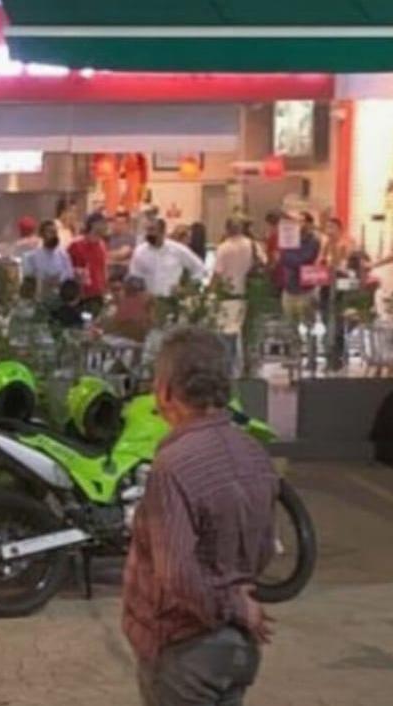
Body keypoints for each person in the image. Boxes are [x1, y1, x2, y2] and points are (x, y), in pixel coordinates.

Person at [124, 327, 277, 706]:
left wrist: (230, 606)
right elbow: (263, 551)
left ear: (166, 392)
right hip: (237, 648)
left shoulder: (173, 466)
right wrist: (238, 601)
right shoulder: (253, 453)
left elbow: (176, 573)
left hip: (184, 649)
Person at [213, 220, 264, 351]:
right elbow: (264, 262)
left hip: (228, 294)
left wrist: (210, 291)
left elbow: (217, 274)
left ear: (226, 230)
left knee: (228, 332)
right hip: (251, 294)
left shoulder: (223, 248)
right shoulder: (253, 245)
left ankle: (230, 363)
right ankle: (248, 360)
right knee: (249, 333)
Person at [128, 220, 206, 298]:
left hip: (171, 301)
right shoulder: (140, 251)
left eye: (152, 230)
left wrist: (187, 289)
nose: (149, 234)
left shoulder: (178, 250)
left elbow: (200, 269)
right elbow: (135, 275)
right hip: (148, 300)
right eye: (147, 230)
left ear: (162, 232)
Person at [278, 216, 323, 325]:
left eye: (301, 221)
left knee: (307, 324)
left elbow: (305, 260)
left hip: (306, 289)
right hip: (289, 288)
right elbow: (283, 257)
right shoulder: (289, 238)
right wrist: (292, 260)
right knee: (289, 324)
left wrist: (292, 260)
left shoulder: (313, 241)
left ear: (308, 224)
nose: (298, 224)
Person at [21, 220, 75, 300]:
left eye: (54, 232)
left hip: (60, 298)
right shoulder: (33, 257)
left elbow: (69, 275)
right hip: (41, 298)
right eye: (50, 232)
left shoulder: (63, 255)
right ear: (42, 235)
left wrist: (59, 280)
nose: (53, 235)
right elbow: (29, 280)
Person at [68, 212, 111, 307]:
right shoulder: (76, 245)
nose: (105, 226)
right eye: (103, 223)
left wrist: (105, 289)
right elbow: (67, 270)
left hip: (98, 295)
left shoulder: (102, 245)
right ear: (93, 224)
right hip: (81, 296)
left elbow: (104, 269)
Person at [100, 276, 154, 342]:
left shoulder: (145, 302)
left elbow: (150, 321)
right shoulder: (113, 305)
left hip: (133, 338)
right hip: (121, 337)